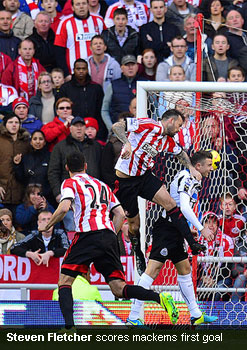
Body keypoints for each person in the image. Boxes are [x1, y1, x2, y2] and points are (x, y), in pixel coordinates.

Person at [42, 151, 179, 330]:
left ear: (67, 168)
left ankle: (69, 328)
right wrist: (110, 235)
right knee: (118, 288)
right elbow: (120, 213)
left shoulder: (69, 183)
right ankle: (159, 298)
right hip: (107, 235)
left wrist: (47, 225)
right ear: (85, 166)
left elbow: (64, 207)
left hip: (87, 234)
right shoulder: (101, 185)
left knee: (64, 282)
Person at [126, 151, 219, 326]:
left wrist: (187, 231)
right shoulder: (187, 177)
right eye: (208, 165)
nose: (211, 169)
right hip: (167, 229)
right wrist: (201, 228)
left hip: (176, 229)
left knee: (184, 269)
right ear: (197, 166)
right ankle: (132, 316)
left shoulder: (191, 178)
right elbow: (183, 207)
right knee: (151, 271)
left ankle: (196, 314)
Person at [110, 109, 202, 275]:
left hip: (144, 177)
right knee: (134, 225)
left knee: (171, 204)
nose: (179, 130)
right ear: (171, 121)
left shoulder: (167, 141)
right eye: (179, 125)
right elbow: (116, 126)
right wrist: (127, 142)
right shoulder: (148, 124)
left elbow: (181, 153)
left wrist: (190, 167)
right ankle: (137, 251)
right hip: (125, 181)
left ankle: (192, 242)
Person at [47, 116, 102, 225]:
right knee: (73, 228)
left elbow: (102, 169)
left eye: (81, 126)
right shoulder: (60, 147)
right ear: (70, 128)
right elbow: (53, 171)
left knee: (93, 226)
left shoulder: (95, 146)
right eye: (75, 126)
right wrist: (58, 193)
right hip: (70, 195)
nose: (79, 128)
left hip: (93, 197)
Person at [58, 58, 106, 141]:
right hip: (72, 128)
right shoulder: (65, 88)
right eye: (78, 69)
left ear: (87, 70)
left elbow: (101, 109)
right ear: (74, 70)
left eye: (83, 69)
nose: (81, 71)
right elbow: (59, 109)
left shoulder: (96, 88)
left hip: (93, 129)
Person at [54, 0, 106, 77]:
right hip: (74, 73)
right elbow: (59, 51)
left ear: (88, 5)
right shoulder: (65, 23)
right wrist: (66, 74)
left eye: (84, 3)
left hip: (98, 72)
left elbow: (107, 44)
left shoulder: (99, 20)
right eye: (78, 4)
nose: (81, 7)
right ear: (72, 7)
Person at [102, 54, 146, 129]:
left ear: (137, 66)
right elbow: (105, 110)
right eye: (127, 65)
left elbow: (153, 107)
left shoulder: (146, 84)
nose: (130, 67)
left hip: (141, 130)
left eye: (132, 64)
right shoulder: (113, 85)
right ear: (121, 68)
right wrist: (112, 128)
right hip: (118, 129)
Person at [0, 115, 31, 212]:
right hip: (3, 190)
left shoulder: (26, 143)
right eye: (10, 122)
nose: (14, 125)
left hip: (20, 192)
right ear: (5, 124)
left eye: (16, 122)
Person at [13, 130, 53, 202]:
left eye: (40, 139)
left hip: (47, 197)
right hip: (29, 198)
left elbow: (53, 177)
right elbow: (21, 178)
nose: (38, 142)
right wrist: (17, 165)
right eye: (35, 139)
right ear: (31, 142)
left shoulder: (51, 157)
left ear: (44, 142)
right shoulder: (26, 158)